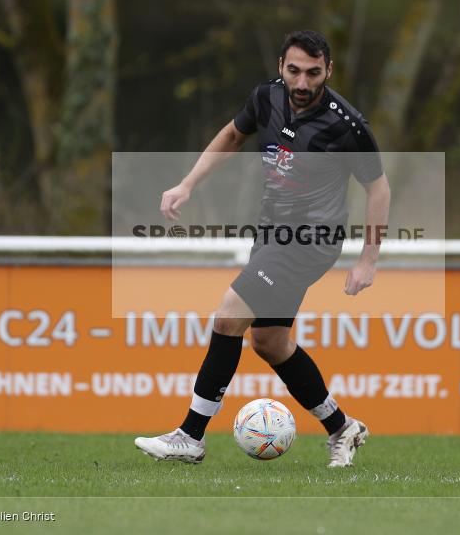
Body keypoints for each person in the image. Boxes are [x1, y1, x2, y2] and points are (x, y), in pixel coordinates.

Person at [135, 30, 391, 467]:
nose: (303, 83)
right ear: (281, 67)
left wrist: (368, 259)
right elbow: (233, 136)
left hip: (311, 240)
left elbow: (378, 189)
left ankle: (190, 437)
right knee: (270, 341)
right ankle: (341, 426)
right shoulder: (266, 98)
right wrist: (187, 184)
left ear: (328, 70)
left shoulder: (346, 125)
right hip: (272, 234)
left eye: (313, 72)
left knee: (228, 314)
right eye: (294, 71)